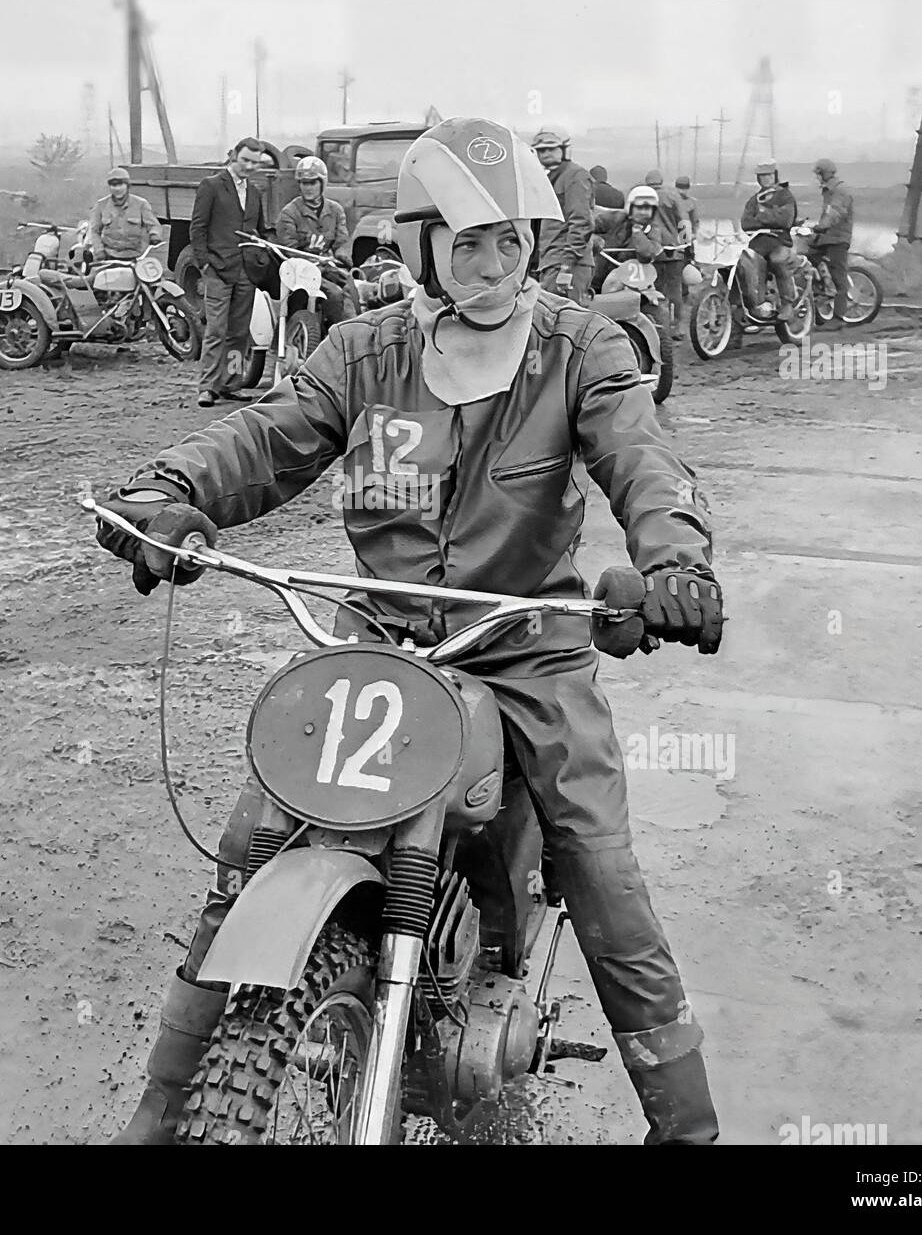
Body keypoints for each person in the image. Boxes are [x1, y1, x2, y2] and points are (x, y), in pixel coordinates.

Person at [98, 116, 723, 1147]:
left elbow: (640, 454)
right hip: (380, 641)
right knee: (251, 846)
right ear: (421, 245)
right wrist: (170, 489)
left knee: (598, 863)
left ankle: (686, 1127)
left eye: (509, 241)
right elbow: (269, 434)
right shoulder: (369, 346)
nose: (491, 263)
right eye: (467, 241)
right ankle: (160, 1115)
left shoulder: (578, 345)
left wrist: (672, 564)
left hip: (525, 646)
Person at [189, 137, 272, 408]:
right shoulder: (211, 186)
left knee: (239, 333)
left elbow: (258, 232)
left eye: (254, 163)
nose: (248, 166)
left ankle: (231, 384)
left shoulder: (256, 193)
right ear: (234, 156)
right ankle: (208, 387)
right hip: (218, 271)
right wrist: (205, 264)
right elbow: (197, 228)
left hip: (245, 273)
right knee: (216, 330)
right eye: (245, 160)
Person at [274, 155, 360, 324]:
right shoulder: (289, 213)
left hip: (328, 268)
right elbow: (288, 249)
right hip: (299, 272)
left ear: (322, 183)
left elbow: (342, 241)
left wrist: (342, 258)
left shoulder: (335, 210)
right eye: (304, 183)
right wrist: (311, 259)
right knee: (334, 294)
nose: (308, 187)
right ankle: (334, 336)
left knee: (353, 290)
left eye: (313, 182)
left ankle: (354, 332)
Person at [529, 127, 594, 304]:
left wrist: (567, 264)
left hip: (567, 263)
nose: (546, 153)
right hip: (550, 261)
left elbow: (581, 221)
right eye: (542, 150)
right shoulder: (547, 178)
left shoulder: (575, 176)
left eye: (552, 148)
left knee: (567, 321)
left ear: (563, 150)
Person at [739, 159, 799, 324]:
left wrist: (761, 217)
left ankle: (787, 303)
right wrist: (771, 217)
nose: (766, 179)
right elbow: (745, 223)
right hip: (758, 243)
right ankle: (753, 304)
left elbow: (785, 220)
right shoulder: (754, 200)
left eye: (769, 175)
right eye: (762, 176)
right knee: (745, 265)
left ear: (775, 176)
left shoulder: (784, 195)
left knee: (777, 260)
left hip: (780, 241)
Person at [807, 158, 854, 331]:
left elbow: (835, 213)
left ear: (825, 174)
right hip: (827, 237)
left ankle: (839, 317)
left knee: (839, 278)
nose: (817, 178)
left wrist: (822, 226)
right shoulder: (828, 191)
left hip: (837, 239)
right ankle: (821, 294)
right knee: (807, 255)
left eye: (818, 174)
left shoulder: (839, 191)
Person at [641, 169, 693, 325]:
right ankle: (677, 325)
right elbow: (683, 220)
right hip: (673, 250)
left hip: (652, 250)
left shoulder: (642, 197)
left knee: (655, 288)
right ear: (661, 181)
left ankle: (659, 325)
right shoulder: (673, 196)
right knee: (675, 289)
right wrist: (686, 244)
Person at [86, 167, 163, 263]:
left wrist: (154, 235)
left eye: (121, 184)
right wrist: (99, 251)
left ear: (127, 185)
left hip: (137, 257)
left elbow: (153, 225)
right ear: (109, 187)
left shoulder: (141, 204)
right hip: (108, 256)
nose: (117, 189)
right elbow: (94, 231)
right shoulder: (101, 205)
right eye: (114, 185)